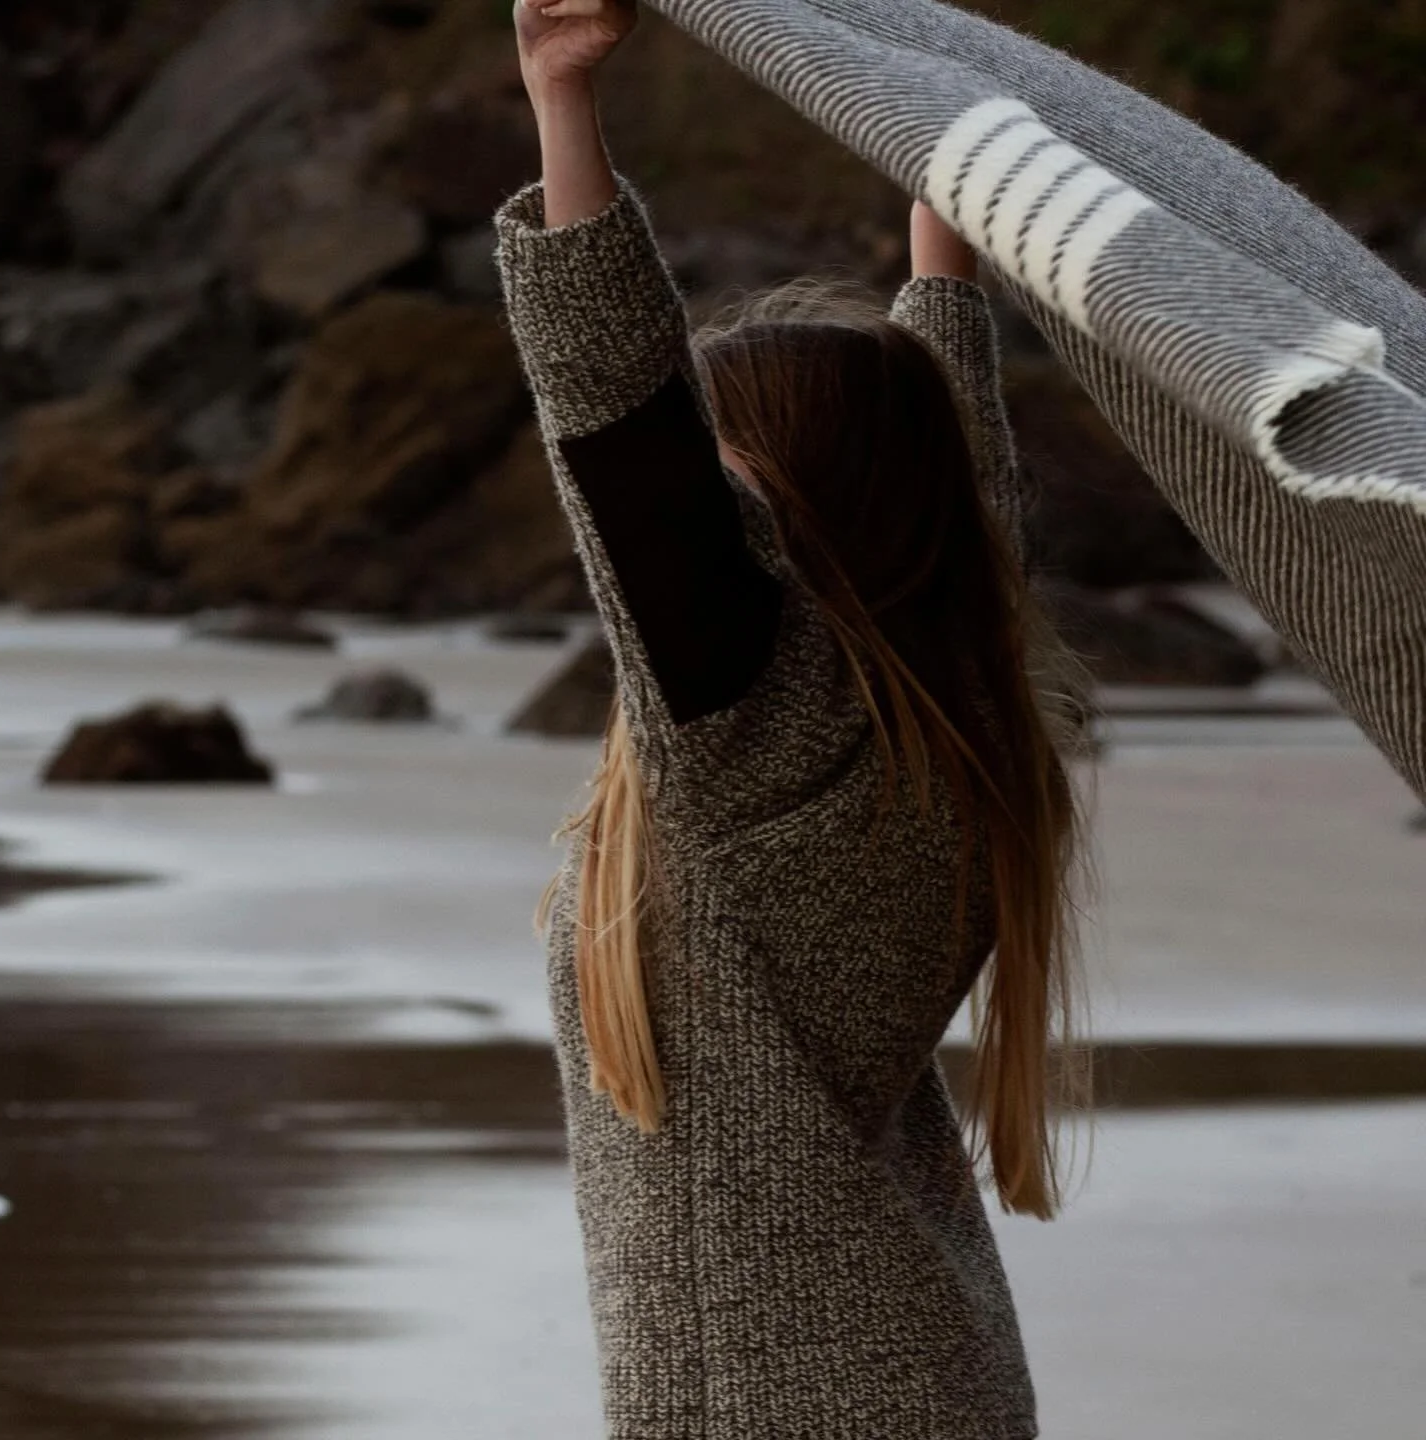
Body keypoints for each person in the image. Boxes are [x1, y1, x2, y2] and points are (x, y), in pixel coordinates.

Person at [494, 2, 1093, 1435]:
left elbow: (619, 432)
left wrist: (560, 104)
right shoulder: (964, 720)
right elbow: (966, 501)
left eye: (732, 480)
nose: (711, 509)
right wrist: (947, 206)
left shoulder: (745, 730)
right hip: (930, 1371)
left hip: (771, 1403)